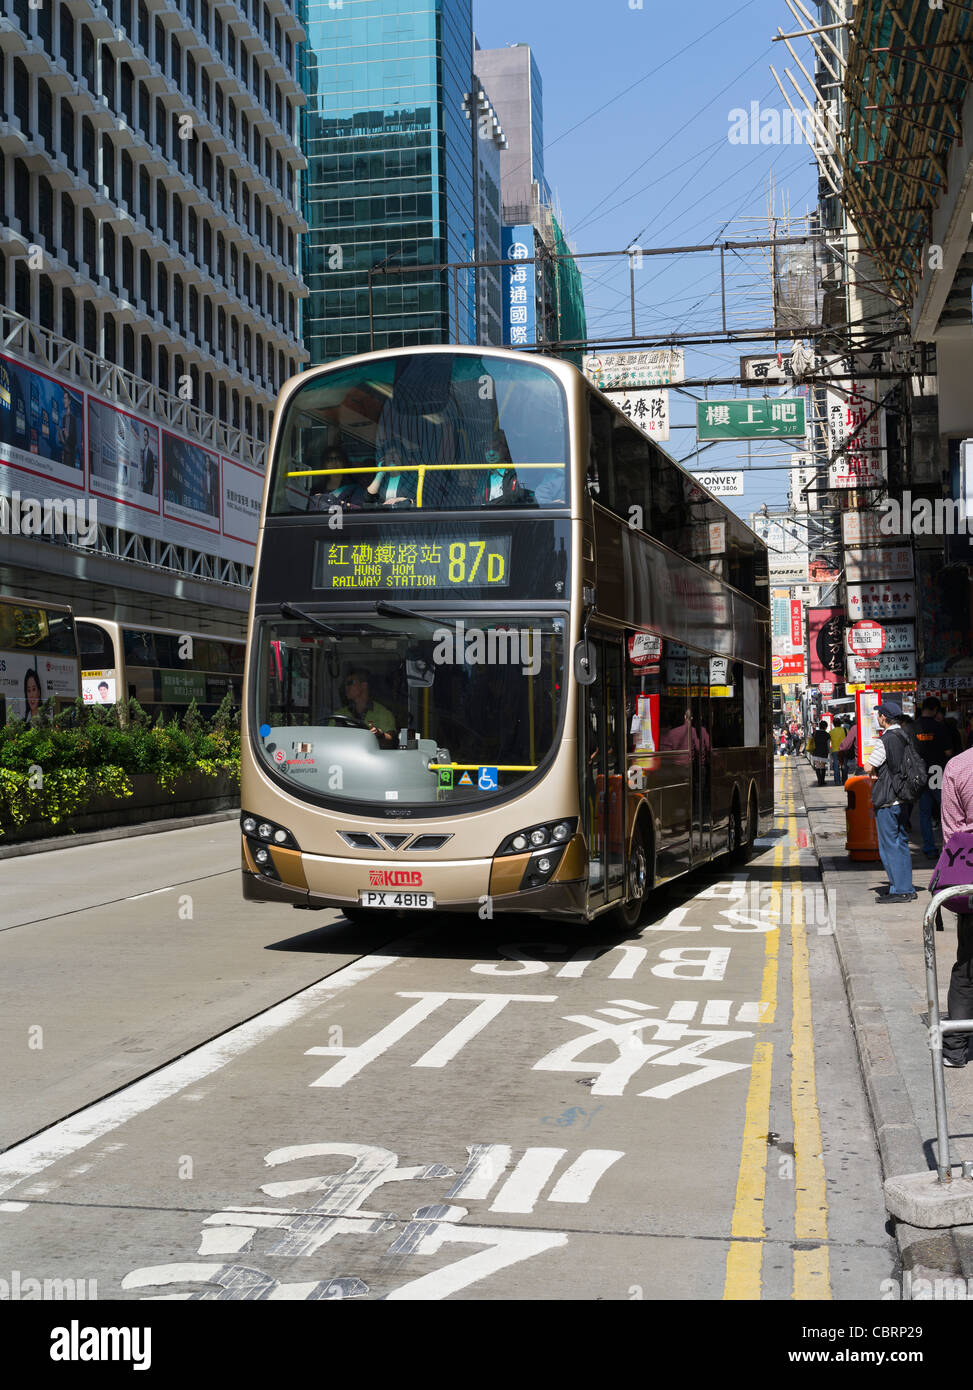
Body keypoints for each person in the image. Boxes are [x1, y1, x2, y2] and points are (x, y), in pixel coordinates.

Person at [939, 746, 973, 1066]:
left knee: (967, 965)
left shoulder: (958, 766)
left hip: (971, 879)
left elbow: (952, 835)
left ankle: (956, 1049)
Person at [867, 701, 916, 903]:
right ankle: (906, 887)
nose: (878, 718)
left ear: (884, 718)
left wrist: (874, 772)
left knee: (889, 846)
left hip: (888, 798)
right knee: (901, 843)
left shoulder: (885, 739)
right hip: (904, 797)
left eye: (879, 715)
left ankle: (900, 890)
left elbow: (869, 766)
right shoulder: (905, 736)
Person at [913, 696, 952, 859]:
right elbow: (948, 752)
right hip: (938, 774)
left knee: (924, 814)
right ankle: (949, 847)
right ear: (936, 710)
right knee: (947, 812)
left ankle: (929, 848)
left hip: (920, 776)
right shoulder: (940, 727)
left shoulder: (912, 728)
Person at [334, 670, 396, 747]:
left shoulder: (383, 713)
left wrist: (380, 735)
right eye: (345, 684)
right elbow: (328, 737)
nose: (346, 687)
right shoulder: (339, 714)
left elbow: (391, 742)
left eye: (350, 683)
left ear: (364, 685)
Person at [309, 444, 366, 511]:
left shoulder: (355, 489)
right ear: (324, 464)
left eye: (338, 459)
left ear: (344, 463)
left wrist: (329, 500)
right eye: (330, 459)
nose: (334, 462)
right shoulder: (316, 489)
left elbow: (357, 510)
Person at [812, 721, 831, 785]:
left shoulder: (815, 733)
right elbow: (828, 744)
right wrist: (829, 751)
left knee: (817, 766)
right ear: (825, 727)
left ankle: (819, 781)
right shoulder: (827, 734)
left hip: (816, 751)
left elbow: (812, 741)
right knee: (823, 766)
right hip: (824, 751)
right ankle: (822, 781)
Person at [829, 718, 846, 785]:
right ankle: (844, 780)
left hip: (835, 751)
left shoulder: (831, 732)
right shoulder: (845, 730)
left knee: (836, 766)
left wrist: (829, 751)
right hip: (844, 750)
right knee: (844, 765)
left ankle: (837, 781)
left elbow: (829, 742)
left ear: (833, 724)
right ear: (840, 723)